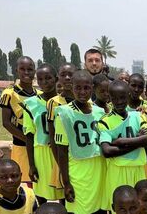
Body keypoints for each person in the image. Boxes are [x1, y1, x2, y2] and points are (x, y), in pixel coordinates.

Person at [54, 70, 106, 214]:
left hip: (99, 170)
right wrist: (66, 182)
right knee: (80, 210)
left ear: (92, 88)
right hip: (78, 172)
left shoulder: (100, 112)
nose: (82, 92)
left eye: (86, 88)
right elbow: (62, 151)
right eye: (78, 88)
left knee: (99, 209)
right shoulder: (64, 113)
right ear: (71, 87)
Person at [98, 80, 147, 211]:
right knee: (119, 208)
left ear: (128, 96)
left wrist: (122, 142)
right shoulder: (105, 121)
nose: (119, 102)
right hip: (118, 170)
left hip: (138, 168)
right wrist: (138, 141)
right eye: (114, 98)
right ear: (110, 98)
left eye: (122, 97)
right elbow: (107, 151)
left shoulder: (137, 116)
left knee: (139, 208)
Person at [23, 64, 64, 204]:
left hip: (60, 152)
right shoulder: (30, 104)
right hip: (41, 153)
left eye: (48, 78)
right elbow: (29, 136)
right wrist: (31, 165)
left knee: (65, 194)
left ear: (56, 79)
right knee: (41, 195)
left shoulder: (64, 102)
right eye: (40, 79)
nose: (44, 82)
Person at [0, 56, 39, 185]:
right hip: (20, 146)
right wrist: (26, 140)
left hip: (37, 147)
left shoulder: (38, 95)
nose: (26, 72)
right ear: (16, 71)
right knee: (23, 182)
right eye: (22, 69)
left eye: (30, 69)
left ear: (34, 71)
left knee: (38, 182)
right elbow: (6, 123)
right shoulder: (9, 93)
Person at [46, 63, 76, 190]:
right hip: (63, 157)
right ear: (58, 77)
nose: (68, 78)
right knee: (66, 195)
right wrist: (60, 164)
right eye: (64, 75)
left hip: (81, 158)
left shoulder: (87, 101)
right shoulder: (53, 103)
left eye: (71, 74)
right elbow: (52, 137)